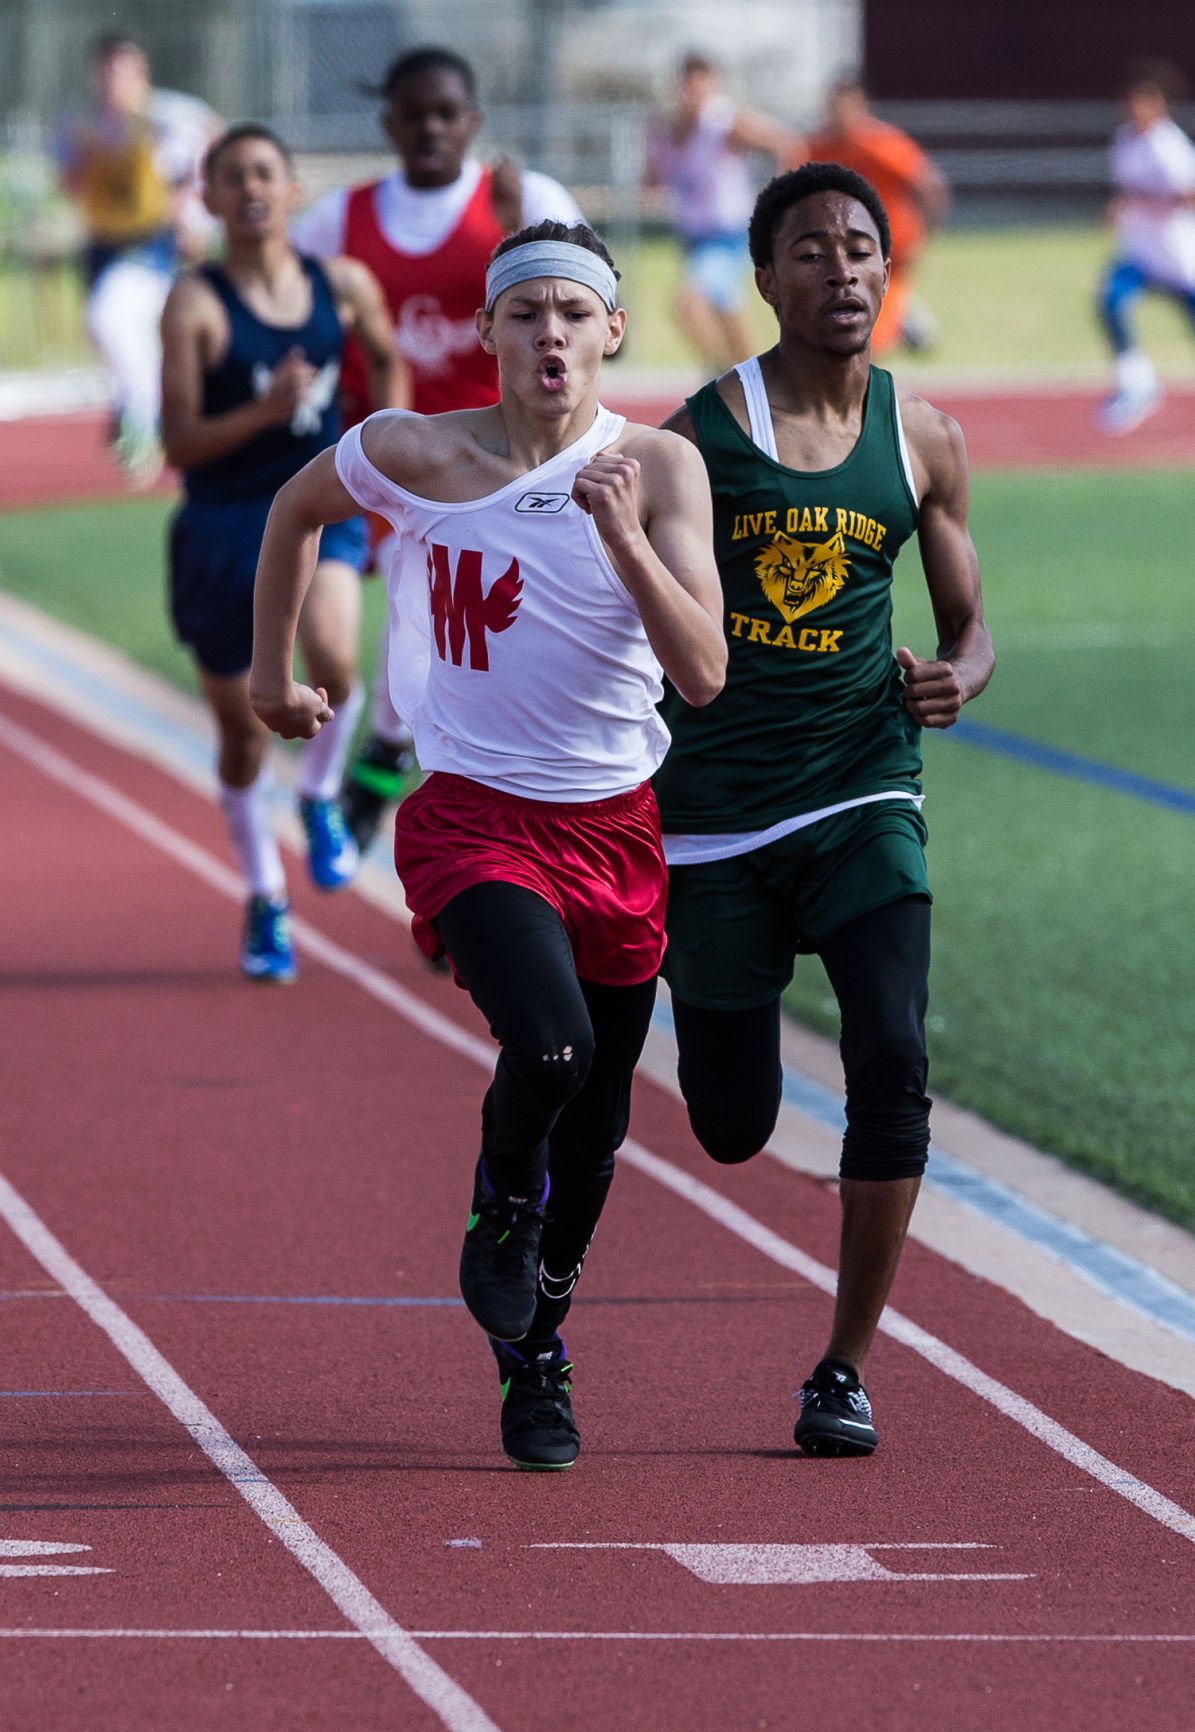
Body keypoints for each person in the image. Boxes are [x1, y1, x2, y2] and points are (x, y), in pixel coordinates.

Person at [249, 220, 726, 1468]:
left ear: (613, 330)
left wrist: (620, 534)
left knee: (603, 1122)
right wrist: (268, 673)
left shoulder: (663, 471)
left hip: (615, 826)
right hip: (471, 815)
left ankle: (539, 1354)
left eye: (576, 311)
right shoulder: (413, 452)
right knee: (552, 1046)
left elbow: (705, 673)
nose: (551, 333)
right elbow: (296, 512)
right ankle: (501, 1192)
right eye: (528, 313)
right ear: (489, 331)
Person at [656, 163, 993, 1458]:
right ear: (762, 276)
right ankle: (725, 1063)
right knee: (732, 1127)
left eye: (859, 249)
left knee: (891, 1060)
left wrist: (947, 679)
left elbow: (966, 631)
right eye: (808, 250)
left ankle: (842, 1369)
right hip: (717, 821)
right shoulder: (696, 437)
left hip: (862, 794)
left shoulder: (923, 439)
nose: (840, 271)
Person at [292, 45, 587, 856]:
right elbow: (281, 315)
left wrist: (514, 233)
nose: (429, 128)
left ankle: (393, 771)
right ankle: (438, 829)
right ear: (388, 122)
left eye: (445, 113)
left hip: (513, 461)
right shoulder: (335, 221)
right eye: (413, 113)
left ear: (473, 122)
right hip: (391, 462)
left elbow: (603, 339)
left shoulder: (525, 203)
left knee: (502, 654)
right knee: (422, 633)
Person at [159, 124, 400, 983]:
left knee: (335, 659)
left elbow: (384, 357)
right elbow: (177, 442)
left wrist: (387, 449)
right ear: (211, 199)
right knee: (240, 736)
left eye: (265, 171)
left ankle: (320, 795)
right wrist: (262, 414)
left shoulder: (341, 283)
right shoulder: (194, 303)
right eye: (231, 177)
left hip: (321, 510)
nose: (251, 187)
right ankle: (264, 893)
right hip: (223, 529)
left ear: (292, 188)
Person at [54, 30, 221, 484]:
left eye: (125, 72)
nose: (116, 82)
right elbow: (69, 183)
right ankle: (141, 406)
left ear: (141, 74)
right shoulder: (80, 122)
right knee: (111, 332)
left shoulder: (169, 116)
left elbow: (214, 139)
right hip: (102, 242)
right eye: (108, 72)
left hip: (154, 241)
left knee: (109, 316)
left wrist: (196, 212)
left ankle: (143, 419)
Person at [646, 51, 801, 374]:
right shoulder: (669, 132)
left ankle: (722, 377)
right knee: (731, 318)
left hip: (729, 234)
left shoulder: (723, 122)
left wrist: (775, 198)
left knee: (688, 306)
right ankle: (758, 382)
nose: (692, 93)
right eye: (687, 84)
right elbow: (650, 182)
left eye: (700, 84)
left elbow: (784, 145)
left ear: (713, 85)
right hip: (695, 239)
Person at [806, 77, 949, 354]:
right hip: (841, 248)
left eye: (846, 107)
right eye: (834, 107)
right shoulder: (819, 147)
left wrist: (924, 235)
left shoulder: (881, 144)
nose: (840, 115)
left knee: (871, 336)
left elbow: (929, 185)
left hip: (888, 246)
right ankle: (905, 319)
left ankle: (898, 322)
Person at [1095, 59, 1195, 433]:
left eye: (1144, 102)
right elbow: (1126, 190)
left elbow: (1188, 194)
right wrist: (1119, 208)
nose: (1136, 109)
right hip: (1139, 253)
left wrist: (1157, 201)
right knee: (1111, 303)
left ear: (1160, 105)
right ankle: (1137, 383)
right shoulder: (1124, 141)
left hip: (1178, 258)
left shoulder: (1170, 147)